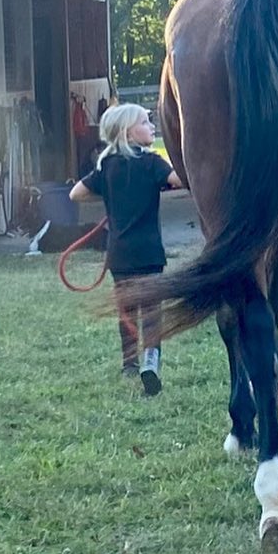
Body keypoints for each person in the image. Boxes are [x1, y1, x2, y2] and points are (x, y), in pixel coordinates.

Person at [69, 103, 182, 395]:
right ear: (129, 132)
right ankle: (151, 361)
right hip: (149, 253)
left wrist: (109, 197)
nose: (152, 127)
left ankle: (129, 363)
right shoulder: (152, 163)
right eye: (146, 122)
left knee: (127, 311)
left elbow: (76, 193)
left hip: (119, 254)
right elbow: (179, 180)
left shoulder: (107, 166)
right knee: (152, 311)